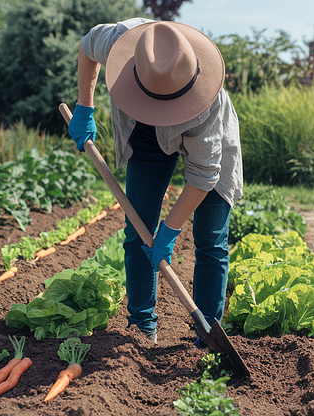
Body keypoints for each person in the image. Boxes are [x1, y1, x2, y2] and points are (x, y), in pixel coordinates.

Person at [67, 18, 242, 346]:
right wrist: (84, 107)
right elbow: (87, 47)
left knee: (211, 237)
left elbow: (204, 175)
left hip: (205, 131)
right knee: (138, 229)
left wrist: (170, 230)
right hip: (144, 132)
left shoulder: (208, 106)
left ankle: (208, 336)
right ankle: (142, 327)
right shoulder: (120, 41)